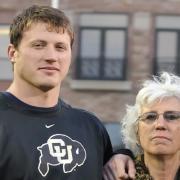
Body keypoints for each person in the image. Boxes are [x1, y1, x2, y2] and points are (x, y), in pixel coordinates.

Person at [0, 5, 135, 180]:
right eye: (39, 45)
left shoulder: (91, 127)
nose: (51, 56)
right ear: (12, 53)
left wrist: (124, 155)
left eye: (60, 47)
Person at [121, 72, 180, 180]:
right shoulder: (114, 175)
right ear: (136, 130)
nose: (160, 125)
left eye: (171, 117)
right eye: (150, 117)